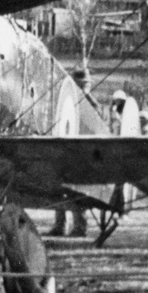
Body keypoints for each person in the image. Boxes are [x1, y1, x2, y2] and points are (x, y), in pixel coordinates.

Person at [52, 68, 95, 237]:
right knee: (59, 189)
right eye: (80, 85)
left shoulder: (92, 106)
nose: (84, 89)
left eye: (85, 85)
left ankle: (79, 226)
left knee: (78, 192)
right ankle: (60, 225)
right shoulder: (66, 101)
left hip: (83, 155)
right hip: (65, 152)